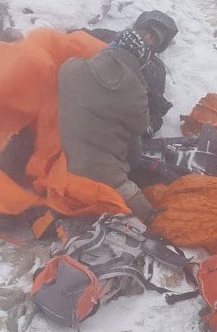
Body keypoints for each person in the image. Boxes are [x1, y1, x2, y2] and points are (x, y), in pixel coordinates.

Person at [57, 27, 163, 219]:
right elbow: (140, 127)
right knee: (150, 219)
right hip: (106, 181)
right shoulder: (135, 91)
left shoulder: (69, 68)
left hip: (60, 170)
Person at [77, 10, 178, 137]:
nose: (146, 38)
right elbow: (76, 39)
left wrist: (148, 127)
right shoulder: (109, 36)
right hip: (81, 100)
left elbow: (155, 111)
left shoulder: (155, 69)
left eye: (153, 38)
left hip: (112, 126)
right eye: (145, 32)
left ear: (157, 46)